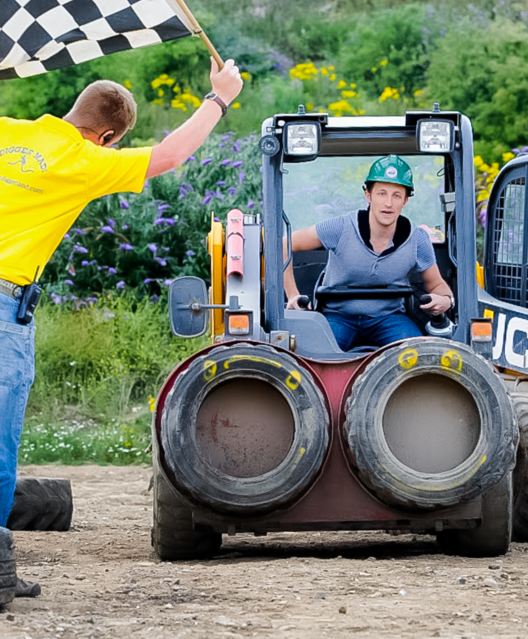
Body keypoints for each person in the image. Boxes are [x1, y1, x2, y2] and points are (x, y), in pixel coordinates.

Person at [0, 57, 243, 598]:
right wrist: (220, 97)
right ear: (107, 136)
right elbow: (170, 156)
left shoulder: (8, 130)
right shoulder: (85, 160)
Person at [283, 154, 454, 350]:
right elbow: (284, 245)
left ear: (405, 200)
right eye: (382, 193)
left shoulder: (418, 239)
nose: (388, 203)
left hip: (389, 318)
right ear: (368, 195)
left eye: (396, 195)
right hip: (338, 316)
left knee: (419, 355)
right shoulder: (340, 228)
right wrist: (293, 295)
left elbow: (437, 285)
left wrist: (445, 300)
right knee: (314, 354)